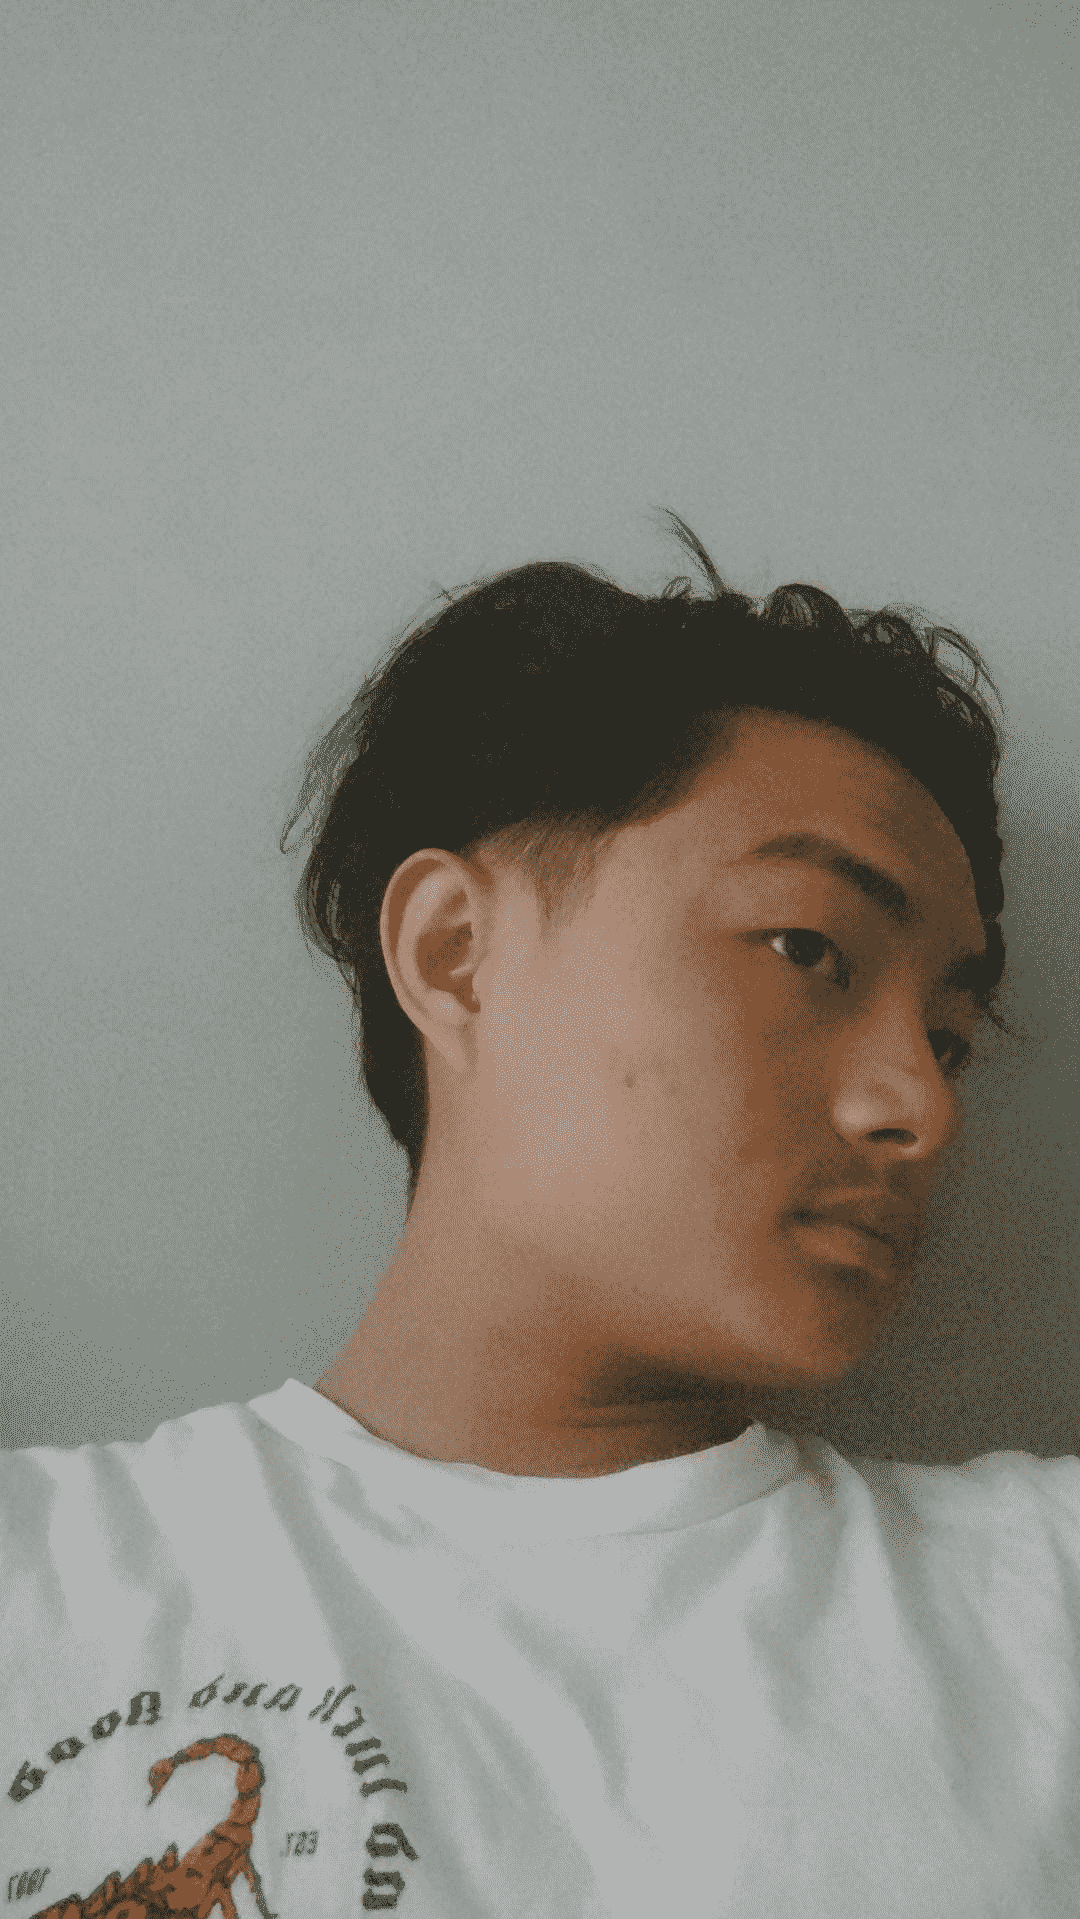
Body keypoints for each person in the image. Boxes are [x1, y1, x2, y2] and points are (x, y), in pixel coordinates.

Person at [3, 515, 1075, 1918]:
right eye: (808, 947)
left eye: (952, 1037)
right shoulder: (45, 1577)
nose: (921, 1106)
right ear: (457, 955)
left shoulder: (1039, 1604)